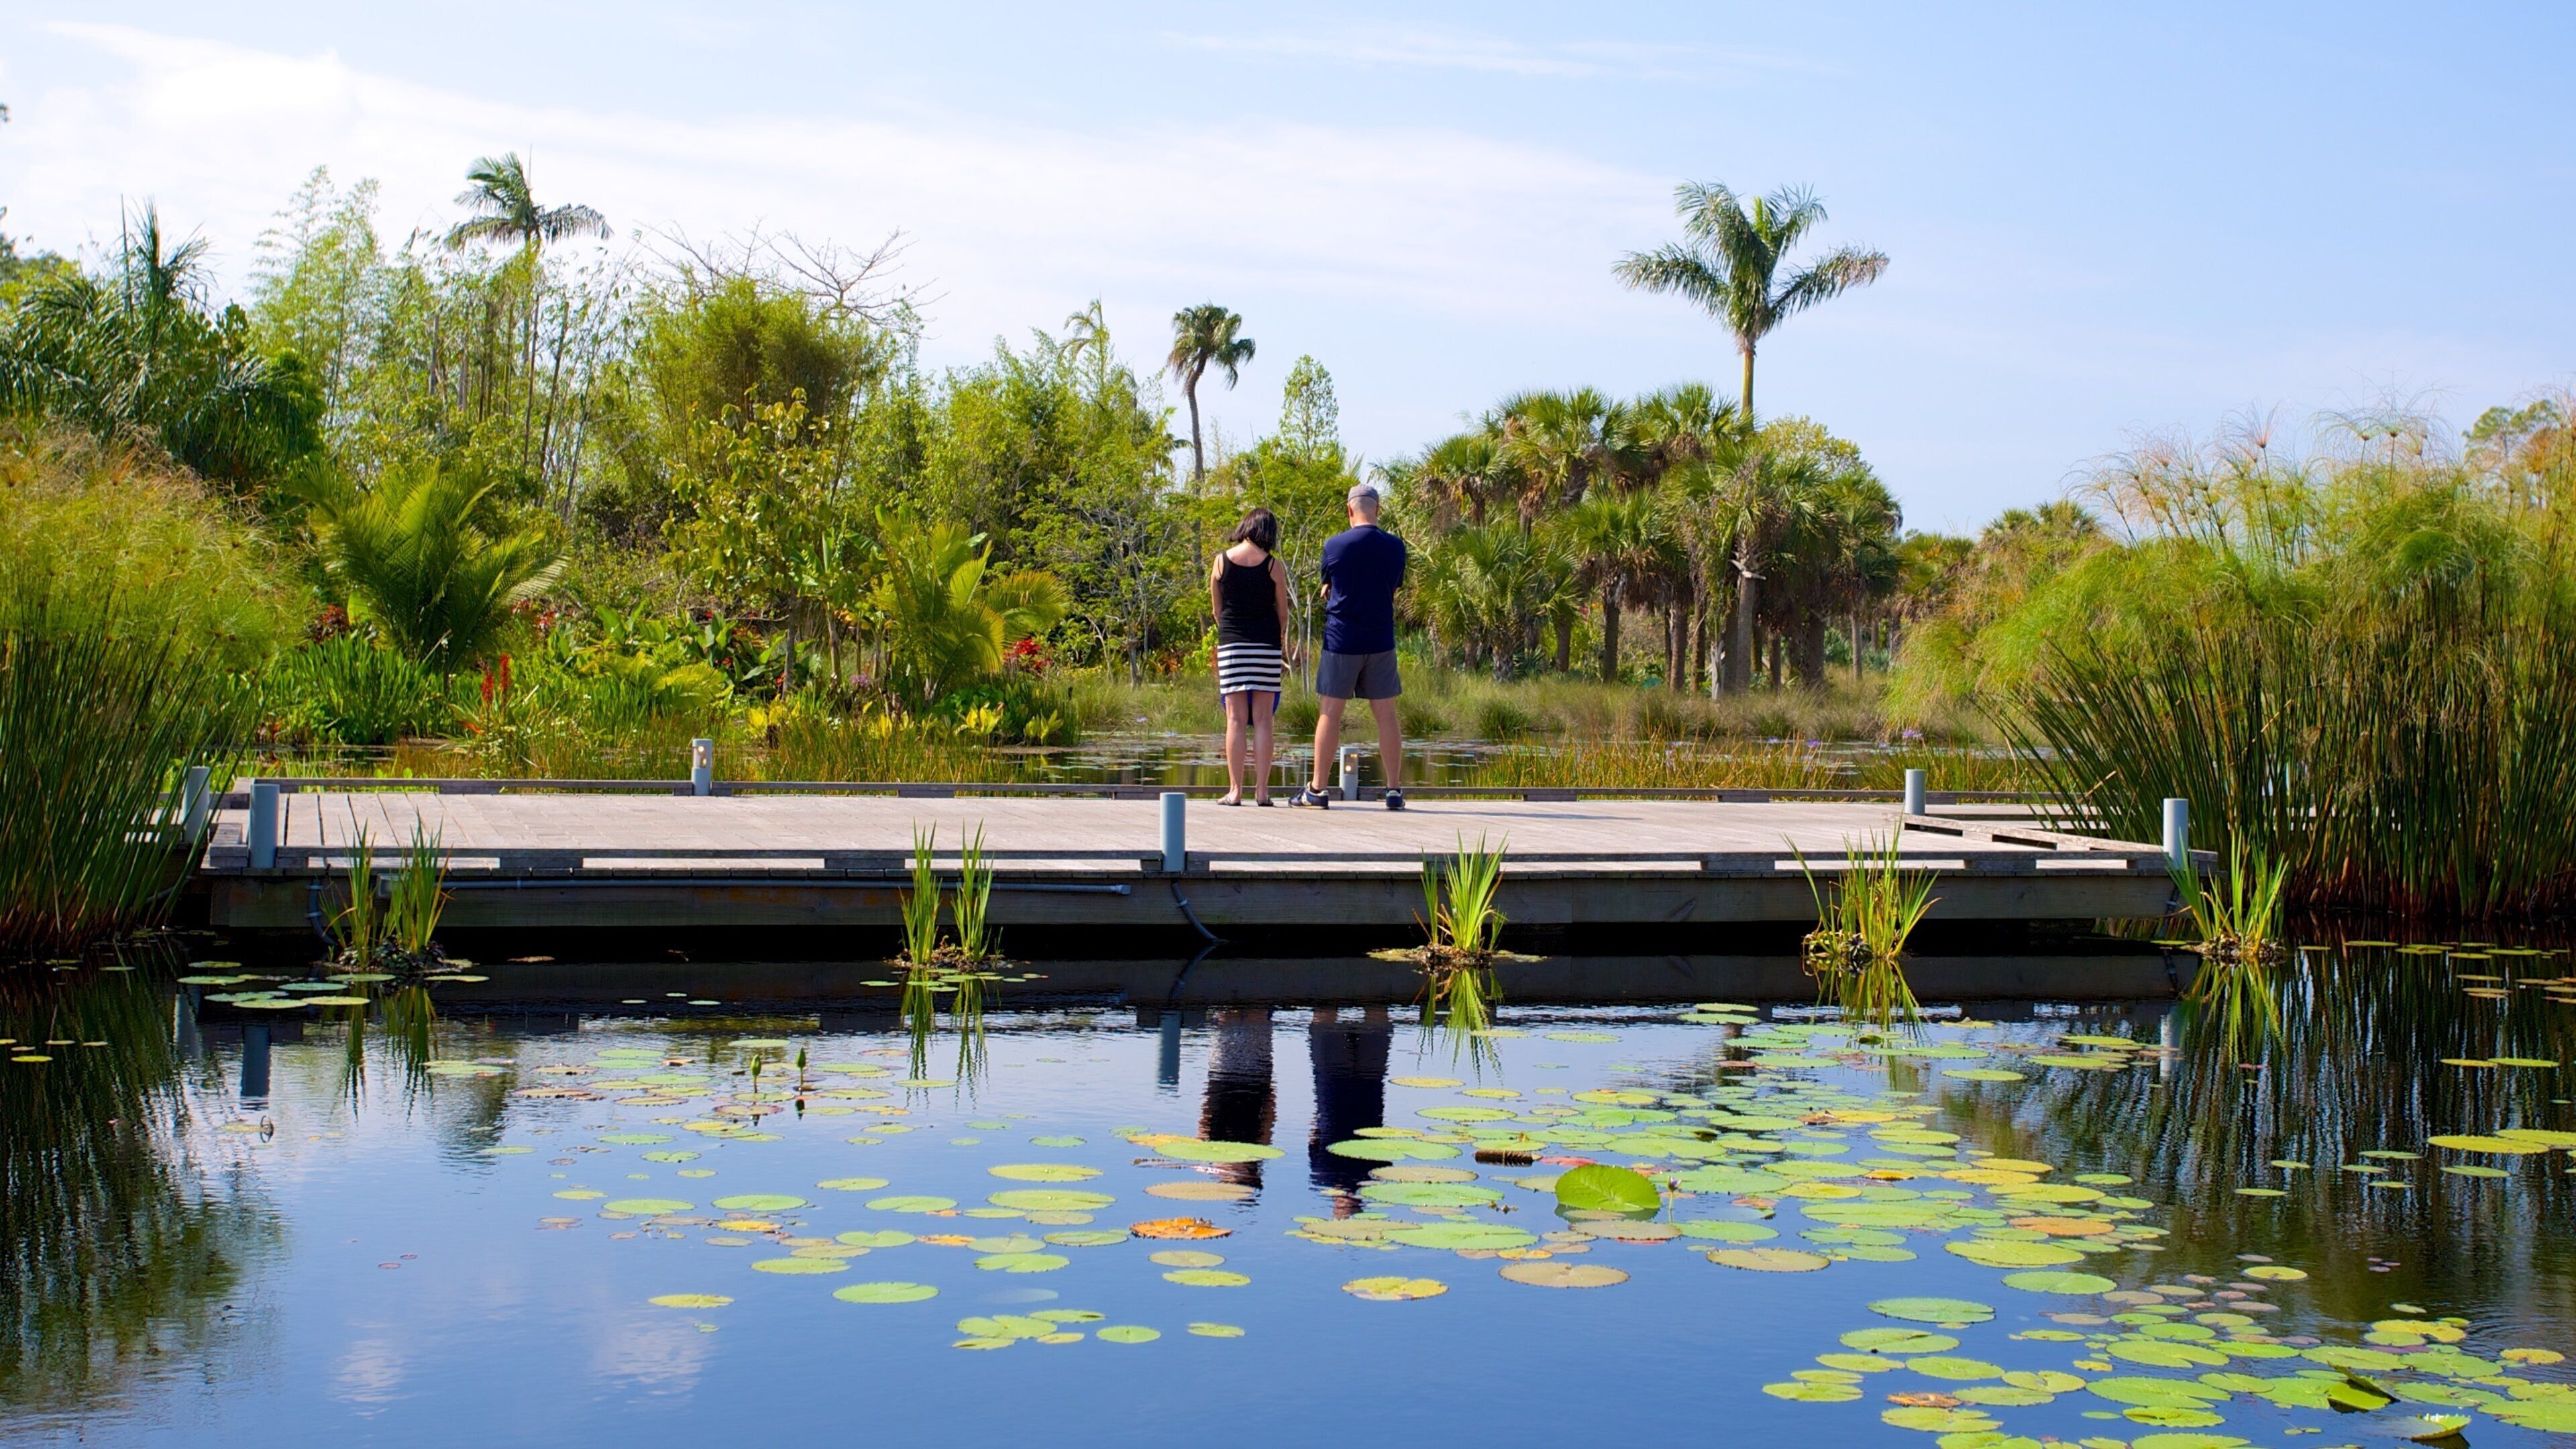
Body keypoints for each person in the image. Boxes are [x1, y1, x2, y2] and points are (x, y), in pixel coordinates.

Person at [1293, 483, 1408, 810]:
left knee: (1330, 713)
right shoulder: (1395, 547)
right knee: (1386, 715)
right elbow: (1392, 588)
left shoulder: (1334, 546)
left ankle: (1317, 790)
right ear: (1378, 509)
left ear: (1349, 510)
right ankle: (1394, 790)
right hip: (1380, 640)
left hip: (1341, 640)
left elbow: (1330, 582)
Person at [1210, 507, 1291, 806]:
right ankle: (1262, 791)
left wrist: (1232, 635)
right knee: (1264, 720)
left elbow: (1217, 611)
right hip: (1265, 645)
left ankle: (1235, 791)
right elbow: (1282, 612)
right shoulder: (1273, 566)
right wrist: (1278, 638)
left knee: (1234, 719)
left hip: (1232, 645)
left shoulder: (1220, 562)